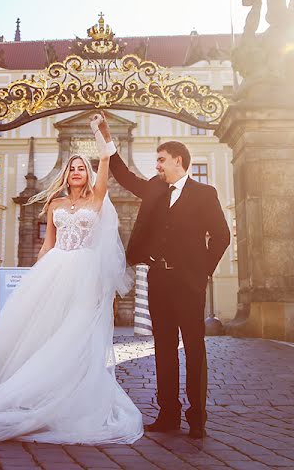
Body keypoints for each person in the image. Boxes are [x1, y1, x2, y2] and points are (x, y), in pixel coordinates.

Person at [0, 114, 142, 444]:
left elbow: (106, 160)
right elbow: (47, 243)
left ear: (87, 174)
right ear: (65, 173)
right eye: (72, 168)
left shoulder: (97, 198)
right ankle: (43, 387)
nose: (76, 172)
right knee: (49, 329)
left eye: (81, 168)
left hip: (85, 271)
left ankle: (74, 388)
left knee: (78, 330)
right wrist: (36, 274)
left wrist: (99, 131)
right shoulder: (54, 203)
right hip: (56, 268)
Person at [99, 116, 230, 439]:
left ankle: (197, 417)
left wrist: (202, 273)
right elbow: (124, 176)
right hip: (159, 280)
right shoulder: (155, 188)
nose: (156, 165)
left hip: (189, 283)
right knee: (164, 347)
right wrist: (104, 136)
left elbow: (222, 236)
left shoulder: (205, 193)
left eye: (161, 160)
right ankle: (168, 414)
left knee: (195, 349)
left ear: (177, 161)